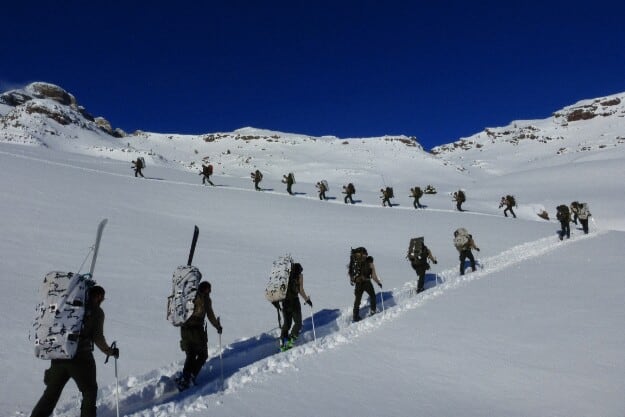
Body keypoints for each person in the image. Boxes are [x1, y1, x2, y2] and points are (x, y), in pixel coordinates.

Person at [30, 286, 119, 417]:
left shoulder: (67, 306)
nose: (102, 301)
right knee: (89, 391)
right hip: (81, 358)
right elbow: (98, 337)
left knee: (51, 394)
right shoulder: (96, 311)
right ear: (99, 296)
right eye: (102, 298)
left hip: (59, 355)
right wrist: (110, 352)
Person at [177, 281, 223, 390]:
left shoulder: (189, 295)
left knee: (191, 354)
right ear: (206, 289)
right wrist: (217, 326)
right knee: (202, 354)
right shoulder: (205, 299)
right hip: (196, 331)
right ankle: (190, 377)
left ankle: (185, 378)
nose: (210, 292)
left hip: (184, 329)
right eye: (209, 289)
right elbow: (210, 315)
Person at [279, 263, 312, 351]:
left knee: (287, 324)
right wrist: (307, 299)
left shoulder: (284, 276)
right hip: (294, 302)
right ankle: (290, 340)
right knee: (298, 323)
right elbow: (301, 290)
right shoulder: (300, 276)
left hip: (285, 302)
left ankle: (283, 341)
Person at [349, 249, 383, 322]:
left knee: (358, 300)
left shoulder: (359, 262)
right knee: (372, 296)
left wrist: (378, 282)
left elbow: (352, 274)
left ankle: (355, 316)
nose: (365, 256)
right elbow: (373, 275)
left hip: (360, 283)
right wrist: (378, 282)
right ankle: (372, 311)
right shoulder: (370, 263)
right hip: (366, 283)